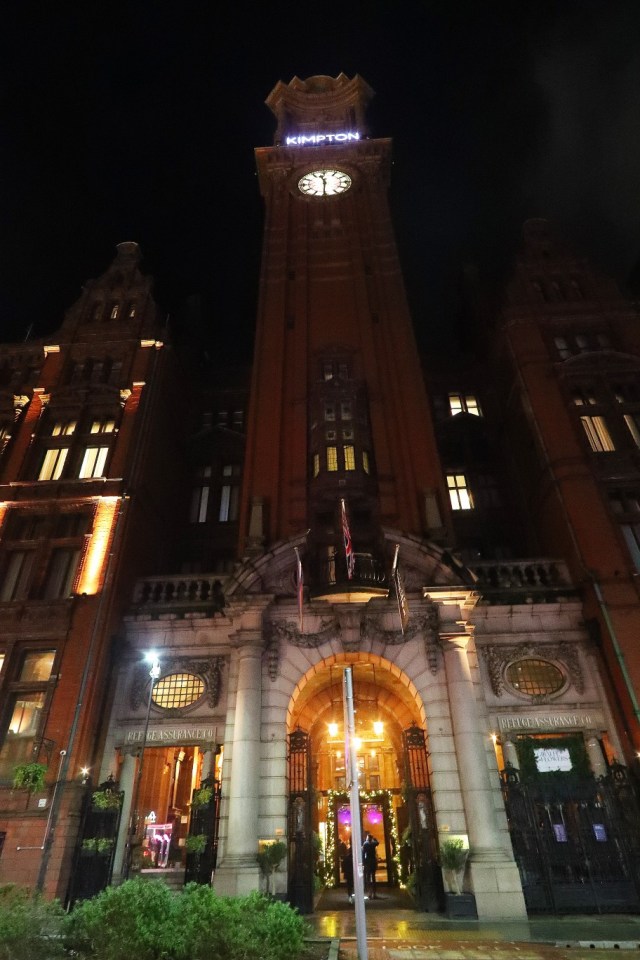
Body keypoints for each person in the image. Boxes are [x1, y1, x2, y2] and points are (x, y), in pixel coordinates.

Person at [362, 832, 379, 899]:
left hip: (368, 861)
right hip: (373, 861)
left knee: (368, 877)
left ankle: (369, 893)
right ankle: (374, 893)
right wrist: (374, 839)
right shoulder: (373, 844)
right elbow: (377, 842)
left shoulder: (365, 844)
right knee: (373, 877)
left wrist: (363, 862)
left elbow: (363, 853)